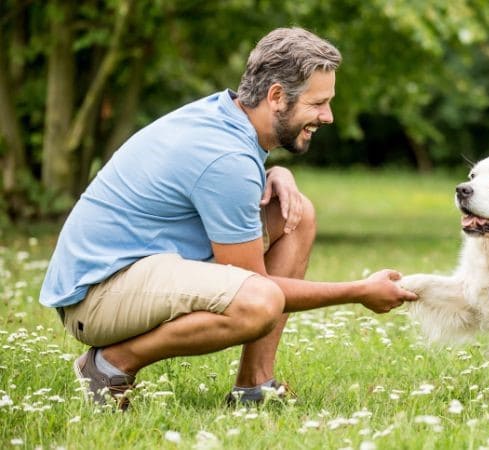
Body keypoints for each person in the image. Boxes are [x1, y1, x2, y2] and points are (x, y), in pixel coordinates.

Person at [38, 27, 418, 410]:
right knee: (259, 301)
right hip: (96, 296)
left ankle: (254, 386)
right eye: (318, 103)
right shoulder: (226, 157)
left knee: (295, 214)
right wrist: (358, 291)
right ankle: (108, 367)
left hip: (132, 268)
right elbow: (254, 284)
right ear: (276, 96)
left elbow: (212, 184)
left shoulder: (227, 116)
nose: (328, 116)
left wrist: (274, 174)